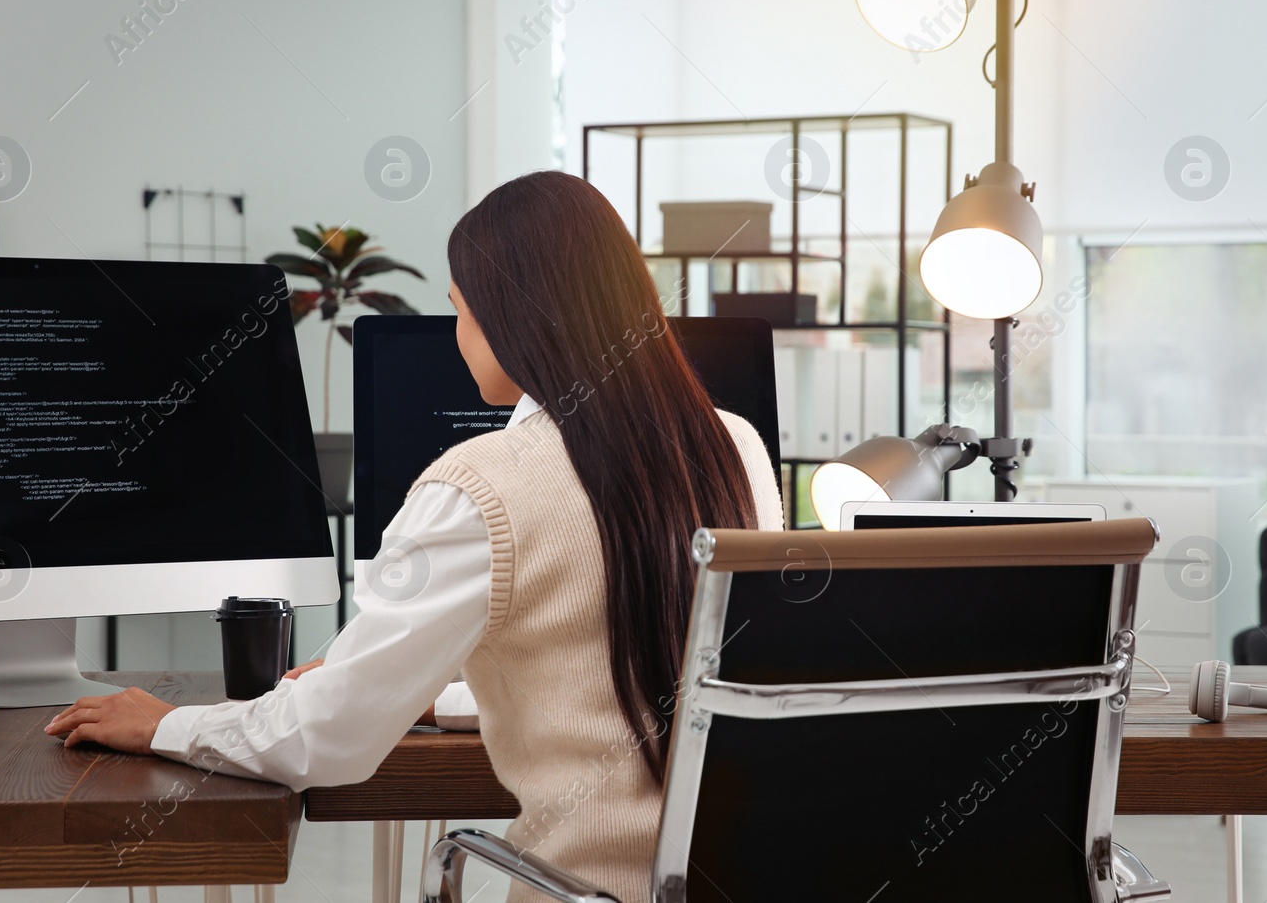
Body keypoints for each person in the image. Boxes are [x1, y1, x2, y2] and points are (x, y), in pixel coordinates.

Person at [44, 170, 783, 903]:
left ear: (510, 316)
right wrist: (442, 698)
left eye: (459, 310)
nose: (458, 335)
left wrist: (169, 723)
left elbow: (329, 735)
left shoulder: (480, 484)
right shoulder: (738, 447)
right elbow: (662, 680)